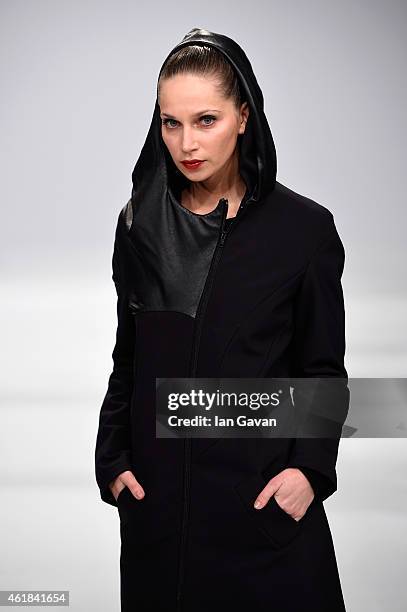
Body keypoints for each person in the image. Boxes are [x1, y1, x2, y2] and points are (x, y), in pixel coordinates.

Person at [95, 27, 350, 612]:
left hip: (263, 518)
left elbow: (321, 368)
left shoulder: (303, 232)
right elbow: (127, 358)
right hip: (158, 522)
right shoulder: (139, 226)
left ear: (243, 115)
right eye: (170, 122)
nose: (186, 142)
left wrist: (309, 471)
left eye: (205, 120)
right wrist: (113, 463)